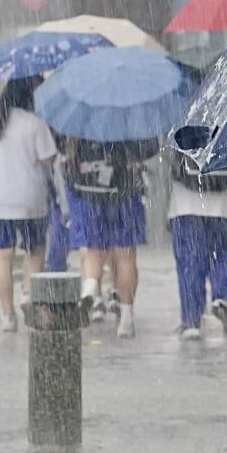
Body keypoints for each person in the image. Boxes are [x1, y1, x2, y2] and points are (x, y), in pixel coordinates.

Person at [61, 136, 157, 339]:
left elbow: (62, 145)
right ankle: (126, 318)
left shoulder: (81, 110)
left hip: (88, 187)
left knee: (93, 251)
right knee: (126, 256)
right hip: (125, 189)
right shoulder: (130, 111)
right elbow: (150, 147)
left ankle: (90, 288)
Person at [0, 75, 56, 332]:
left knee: (2, 257)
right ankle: (27, 295)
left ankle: (7, 315)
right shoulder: (35, 122)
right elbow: (48, 158)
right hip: (29, 200)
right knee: (34, 250)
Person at [167, 152, 227, 340]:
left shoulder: (179, 123)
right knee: (226, 254)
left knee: (190, 262)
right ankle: (221, 296)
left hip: (186, 203)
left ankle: (191, 320)